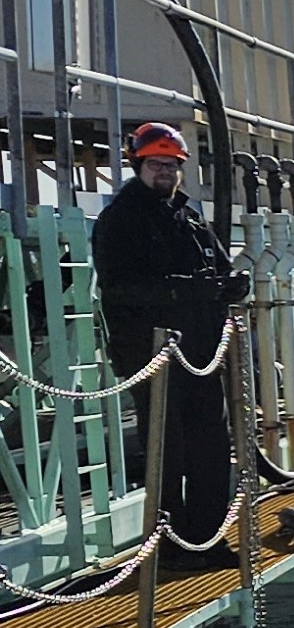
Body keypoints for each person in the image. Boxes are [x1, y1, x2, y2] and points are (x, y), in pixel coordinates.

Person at [92, 119, 247, 550]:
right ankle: (170, 543)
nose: (164, 171)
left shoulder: (189, 217)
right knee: (167, 450)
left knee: (211, 448)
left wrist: (232, 283)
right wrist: (181, 289)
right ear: (137, 165)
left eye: (171, 164)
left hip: (199, 350)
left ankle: (209, 538)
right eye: (156, 164)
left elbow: (218, 267)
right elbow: (118, 287)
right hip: (151, 352)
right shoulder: (120, 220)